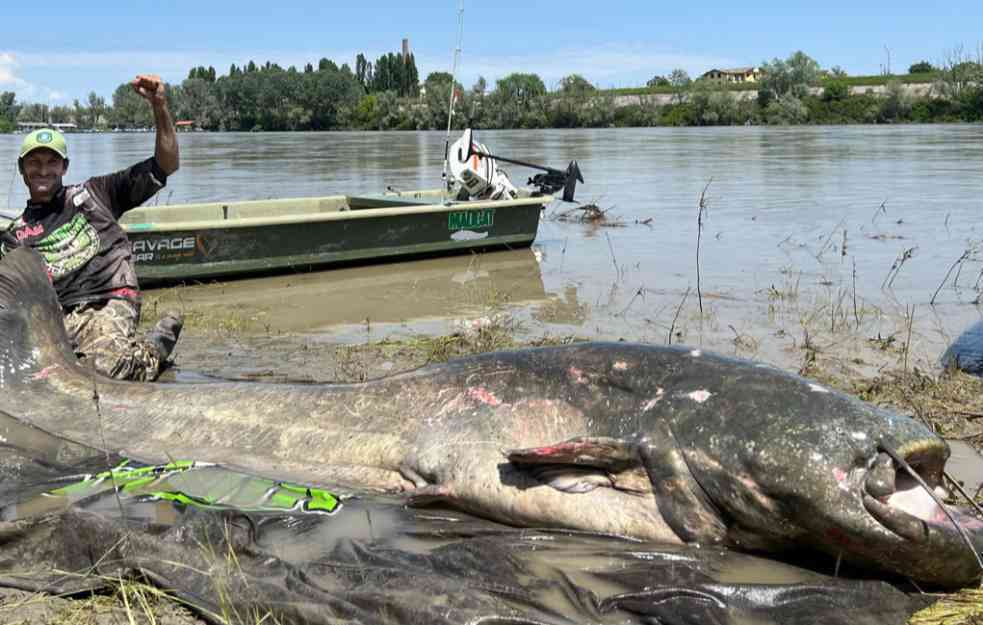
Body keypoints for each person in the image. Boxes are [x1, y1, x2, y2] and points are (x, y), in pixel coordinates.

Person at [1, 74, 182, 381]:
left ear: (64, 167)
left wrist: (159, 105)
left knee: (103, 371)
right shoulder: (13, 237)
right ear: (22, 169)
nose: (43, 170)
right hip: (58, 319)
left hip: (108, 300)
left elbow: (166, 165)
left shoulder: (96, 194)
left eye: (51, 162)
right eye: (34, 162)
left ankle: (154, 349)